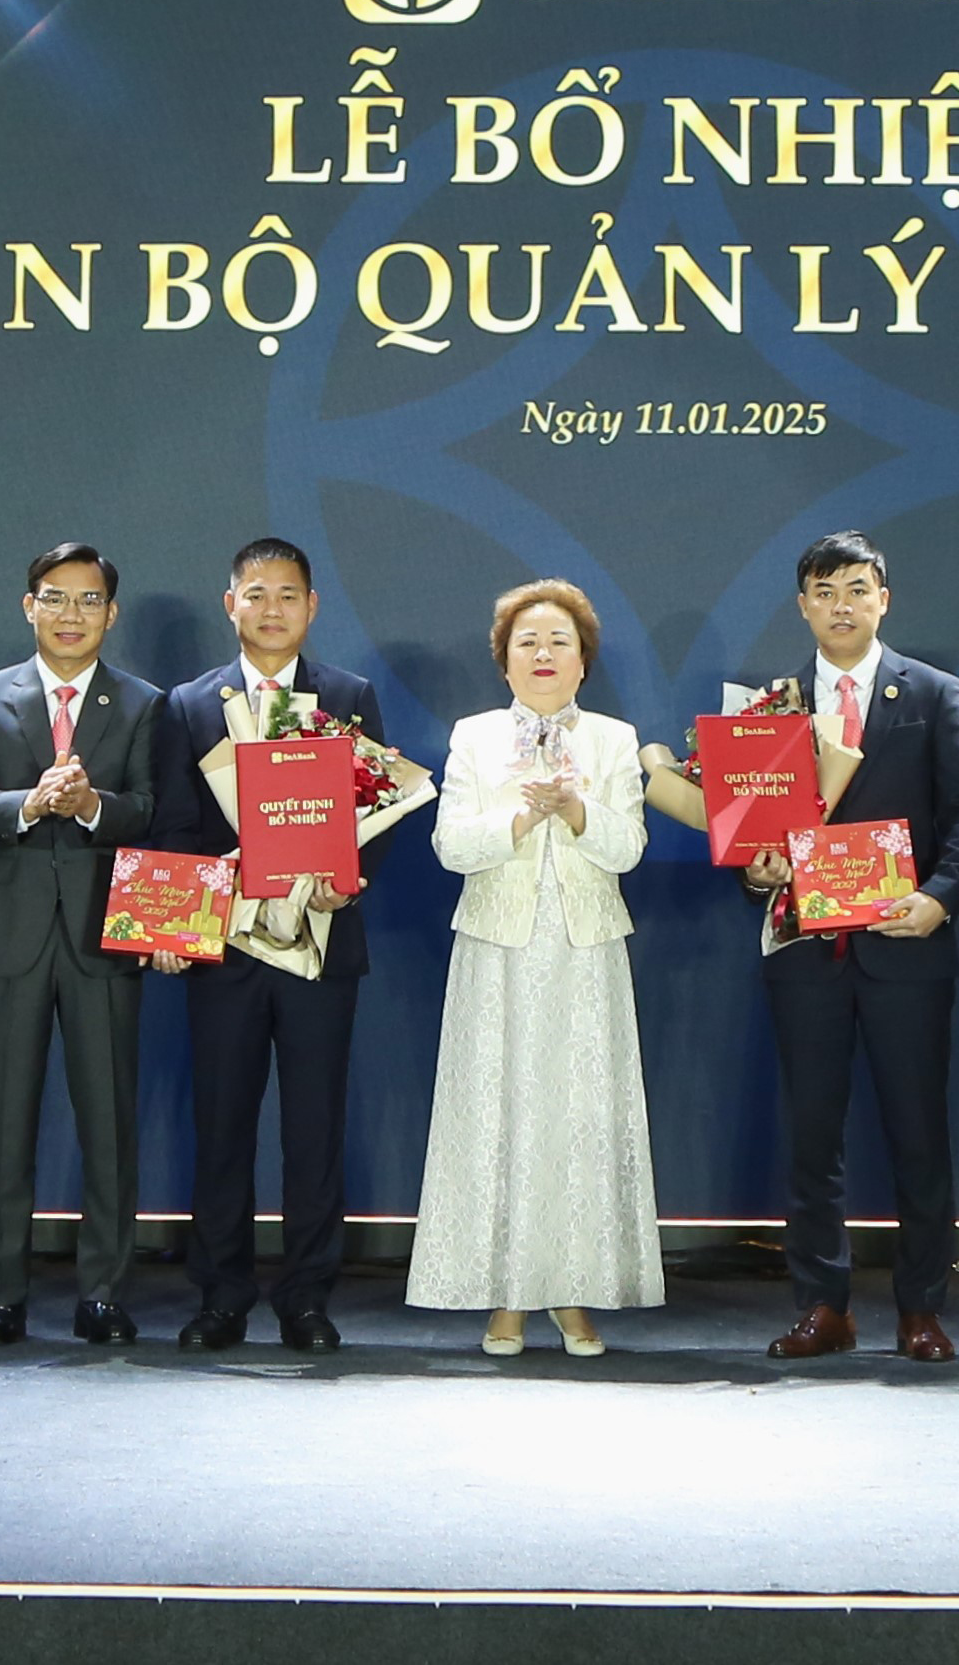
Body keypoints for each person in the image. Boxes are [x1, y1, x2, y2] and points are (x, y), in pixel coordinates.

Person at [739, 531, 959, 1363]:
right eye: (824, 591)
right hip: (805, 951)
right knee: (812, 1135)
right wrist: (758, 868)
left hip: (906, 945)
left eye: (855, 588)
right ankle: (823, 1306)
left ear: (884, 598)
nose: (840, 605)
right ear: (802, 604)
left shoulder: (935, 691)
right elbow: (748, 832)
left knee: (919, 1132)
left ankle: (921, 1309)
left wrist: (938, 898)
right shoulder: (769, 707)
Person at [148, 538, 389, 1353]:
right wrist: (180, 924)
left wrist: (348, 880)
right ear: (231, 605)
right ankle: (221, 1296)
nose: (273, 608)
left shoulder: (348, 696)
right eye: (257, 593)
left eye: (289, 593)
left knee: (315, 1129)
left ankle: (307, 1298)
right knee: (221, 1126)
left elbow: (377, 813)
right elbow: (173, 824)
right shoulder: (188, 704)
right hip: (226, 949)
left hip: (321, 944)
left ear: (312, 606)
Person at [408, 579, 660, 1355]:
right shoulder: (474, 736)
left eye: (559, 641)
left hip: (586, 949)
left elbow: (630, 848)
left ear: (583, 660)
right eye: (528, 642)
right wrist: (521, 815)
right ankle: (507, 1295)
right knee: (500, 1114)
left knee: (581, 1117)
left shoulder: (614, 739)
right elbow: (450, 845)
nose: (544, 654)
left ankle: (573, 1290)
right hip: (498, 947)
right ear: (504, 660)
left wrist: (578, 810)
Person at [0, 542, 166, 1348]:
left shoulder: (141, 702)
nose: (71, 613)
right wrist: (33, 804)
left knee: (108, 1122)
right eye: (55, 597)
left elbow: (150, 806)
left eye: (88, 599)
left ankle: (102, 1293)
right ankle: (1, 1294)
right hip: (6, 932)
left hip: (106, 932)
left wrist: (93, 804)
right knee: (3, 1121)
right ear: (28, 605)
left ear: (111, 612)